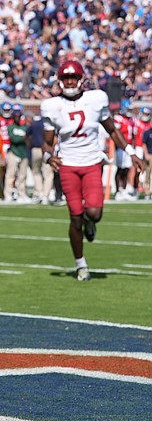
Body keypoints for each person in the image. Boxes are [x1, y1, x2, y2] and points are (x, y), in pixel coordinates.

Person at [40, 60, 145, 282]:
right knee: (75, 218)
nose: (70, 82)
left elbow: (112, 130)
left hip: (91, 163)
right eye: (66, 78)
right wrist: (49, 157)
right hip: (68, 164)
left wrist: (131, 152)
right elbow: (47, 142)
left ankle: (90, 224)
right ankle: (81, 264)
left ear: (81, 80)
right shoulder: (51, 105)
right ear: (60, 80)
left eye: (74, 78)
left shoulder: (96, 99)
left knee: (94, 214)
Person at [3, 107, 30, 202]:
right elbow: (14, 139)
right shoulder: (10, 127)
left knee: (23, 175)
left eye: (19, 116)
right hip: (13, 152)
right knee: (10, 174)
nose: (17, 117)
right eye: (16, 116)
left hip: (23, 153)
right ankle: (8, 194)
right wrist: (22, 138)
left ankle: (22, 193)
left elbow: (28, 139)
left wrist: (22, 138)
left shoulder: (25, 127)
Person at [26, 114, 53, 204]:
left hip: (36, 148)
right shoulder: (48, 123)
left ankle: (39, 192)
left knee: (36, 172)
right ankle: (45, 195)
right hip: (46, 149)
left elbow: (27, 136)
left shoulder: (33, 124)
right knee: (48, 173)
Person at [139, 107, 152, 198]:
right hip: (150, 155)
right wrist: (146, 154)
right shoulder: (147, 132)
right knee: (147, 174)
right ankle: (147, 192)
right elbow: (144, 144)